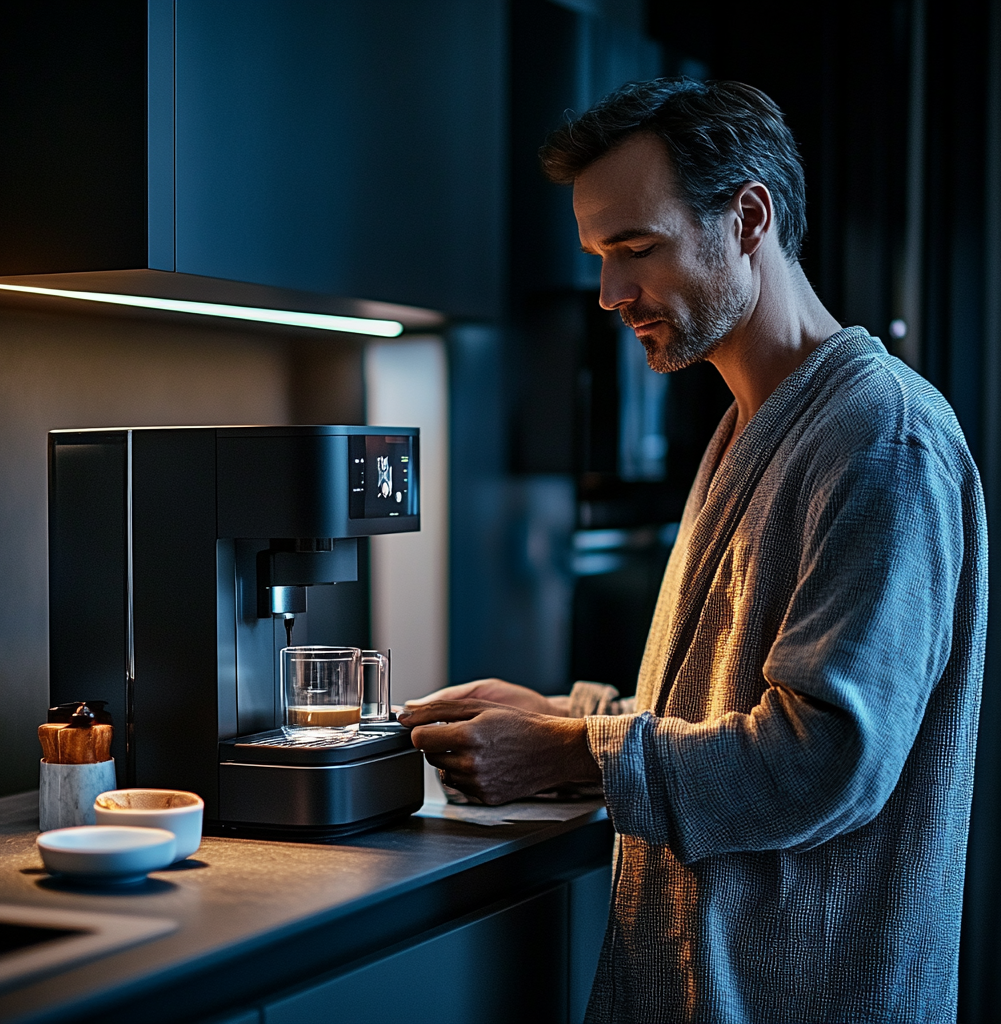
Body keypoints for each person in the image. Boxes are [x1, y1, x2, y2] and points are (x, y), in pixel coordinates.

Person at [396, 79, 987, 1023]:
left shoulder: (882, 437)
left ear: (748, 216)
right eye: (599, 257)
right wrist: (559, 715)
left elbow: (825, 758)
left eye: (636, 249)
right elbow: (724, 707)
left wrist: (569, 754)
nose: (609, 294)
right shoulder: (750, 424)